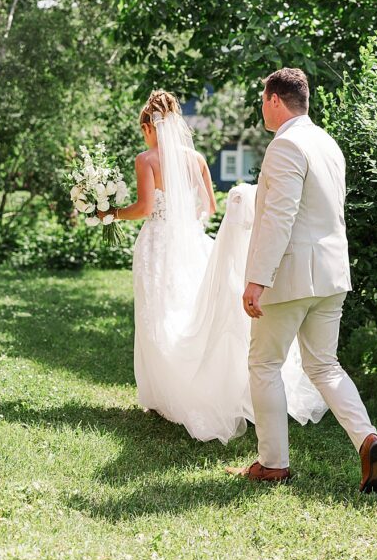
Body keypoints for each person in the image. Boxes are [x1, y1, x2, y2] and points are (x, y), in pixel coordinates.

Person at [99, 89, 327, 444]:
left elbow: (144, 209)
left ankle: (165, 397)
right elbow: (208, 207)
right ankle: (197, 387)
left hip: (158, 245)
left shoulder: (146, 160)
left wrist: (110, 212)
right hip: (192, 244)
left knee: (159, 315)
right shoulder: (198, 159)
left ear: (149, 125)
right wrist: (184, 222)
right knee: (191, 312)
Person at [226, 67, 377, 492]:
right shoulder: (327, 143)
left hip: (291, 275)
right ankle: (367, 438)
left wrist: (257, 279)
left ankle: (273, 463)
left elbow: (279, 218)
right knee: (324, 364)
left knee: (264, 364)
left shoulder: (286, 145)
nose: (262, 106)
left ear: (276, 100)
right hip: (333, 275)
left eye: (263, 99)